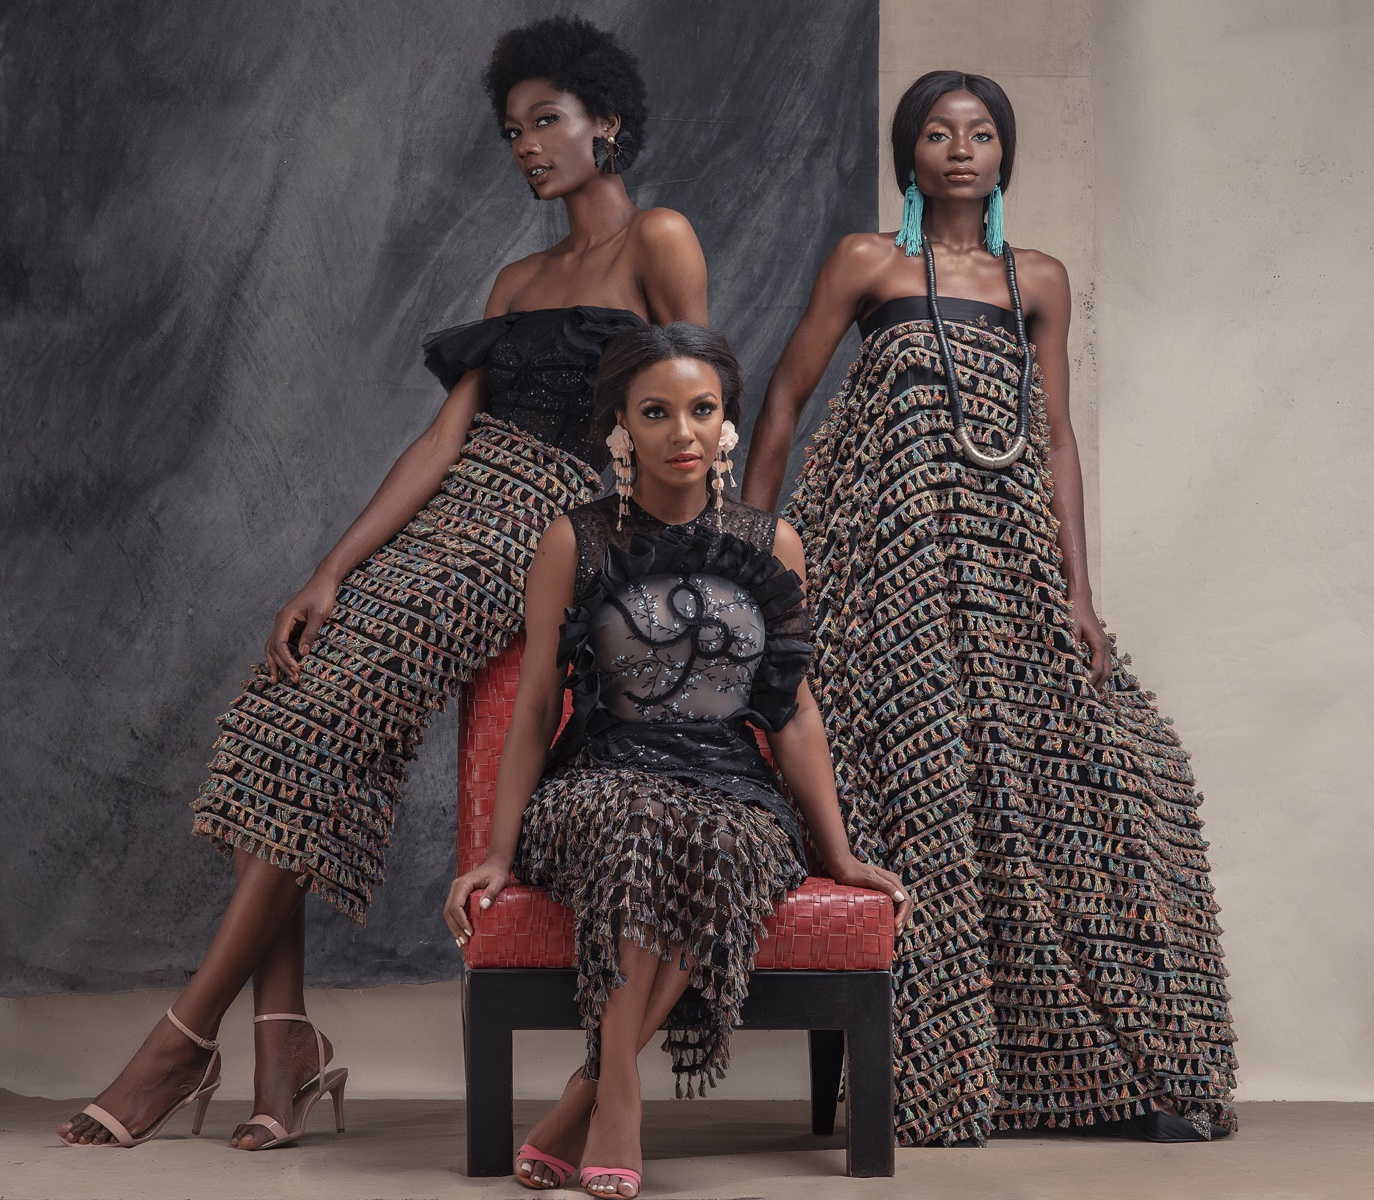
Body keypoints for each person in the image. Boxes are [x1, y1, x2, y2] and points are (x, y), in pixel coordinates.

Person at [58, 16, 708, 1151]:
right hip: (455, 517)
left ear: (605, 121)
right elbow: (443, 442)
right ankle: (284, 1044)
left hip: (548, 522)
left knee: (330, 717)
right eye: (512, 130)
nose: (527, 145)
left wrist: (672, 560)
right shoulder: (516, 279)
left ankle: (186, 1034)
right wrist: (328, 572)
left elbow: (698, 402)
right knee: (288, 715)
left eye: (547, 120)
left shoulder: (659, 237)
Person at [742, 70, 1238, 1147]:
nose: (960, 149)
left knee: (1110, 776)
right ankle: (937, 1059)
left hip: (1007, 568)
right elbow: (782, 398)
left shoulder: (1037, 278)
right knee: (927, 787)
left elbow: (1054, 436)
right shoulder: (866, 261)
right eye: (937, 132)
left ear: (1005, 154)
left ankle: (1095, 1073)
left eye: (979, 134)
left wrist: (1079, 593)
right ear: (909, 154)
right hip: (885, 565)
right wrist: (745, 545)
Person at [444, 323, 912, 1196]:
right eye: (656, 413)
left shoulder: (771, 544)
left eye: (702, 409)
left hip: (734, 791)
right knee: (641, 820)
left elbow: (793, 712)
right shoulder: (574, 540)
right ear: (620, 425)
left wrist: (840, 853)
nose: (682, 433)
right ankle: (621, 1097)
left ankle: (592, 1089)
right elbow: (538, 707)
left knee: (718, 838)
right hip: (600, 781)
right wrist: (498, 852)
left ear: (727, 421)